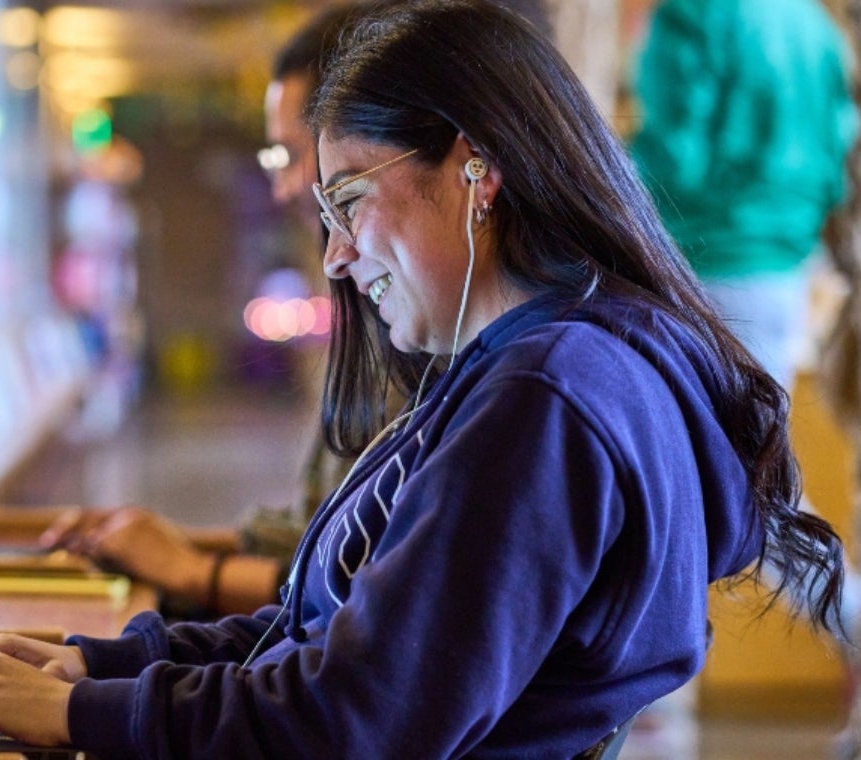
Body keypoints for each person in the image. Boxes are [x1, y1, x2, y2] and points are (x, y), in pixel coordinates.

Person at [0, 3, 846, 756]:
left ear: (476, 168)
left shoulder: (547, 396)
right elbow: (326, 638)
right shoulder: (535, 366)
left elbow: (355, 720)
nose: (337, 256)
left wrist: (89, 714)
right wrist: (94, 669)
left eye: (349, 197)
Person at [36, 0, 554, 620]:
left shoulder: (523, 376)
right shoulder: (456, 333)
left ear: (475, 169)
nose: (286, 191)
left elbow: (365, 601)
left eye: (343, 189)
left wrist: (193, 576)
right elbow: (345, 559)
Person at [628, 0, 861, 638]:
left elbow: (673, 155)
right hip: (784, 270)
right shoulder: (814, 25)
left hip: (703, 269)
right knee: (737, 487)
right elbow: (842, 152)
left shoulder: (697, 13)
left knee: (751, 499)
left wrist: (587, 190)